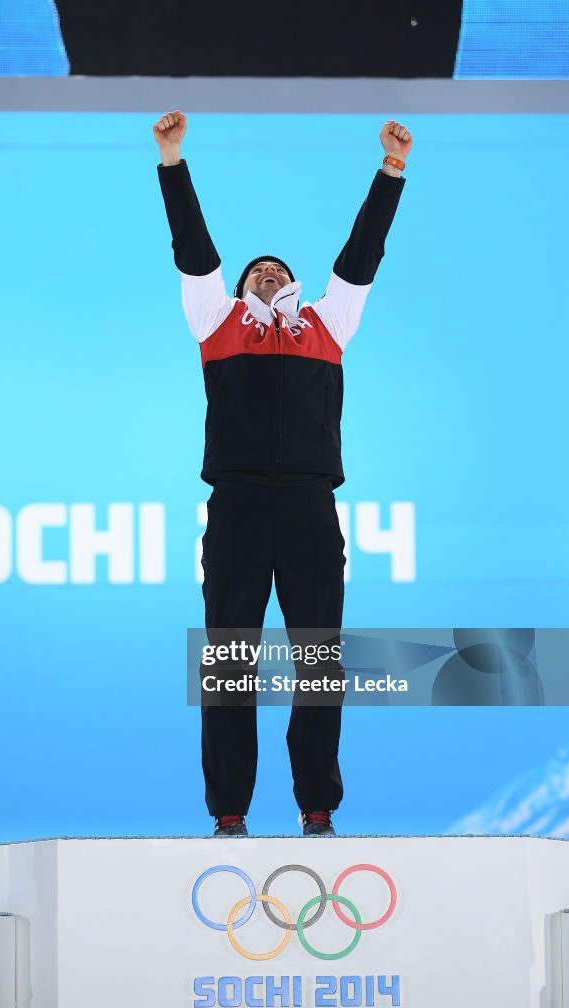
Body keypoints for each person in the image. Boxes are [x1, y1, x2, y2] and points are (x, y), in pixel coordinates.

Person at [154, 110, 411, 837]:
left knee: (318, 658)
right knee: (230, 659)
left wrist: (390, 174)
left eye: (281, 269)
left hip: (307, 507)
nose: (269, 270)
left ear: (298, 287)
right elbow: (193, 248)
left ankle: (316, 805)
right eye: (256, 270)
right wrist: (172, 163)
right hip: (235, 505)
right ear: (237, 289)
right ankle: (229, 810)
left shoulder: (330, 326)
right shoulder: (215, 322)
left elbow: (363, 254)